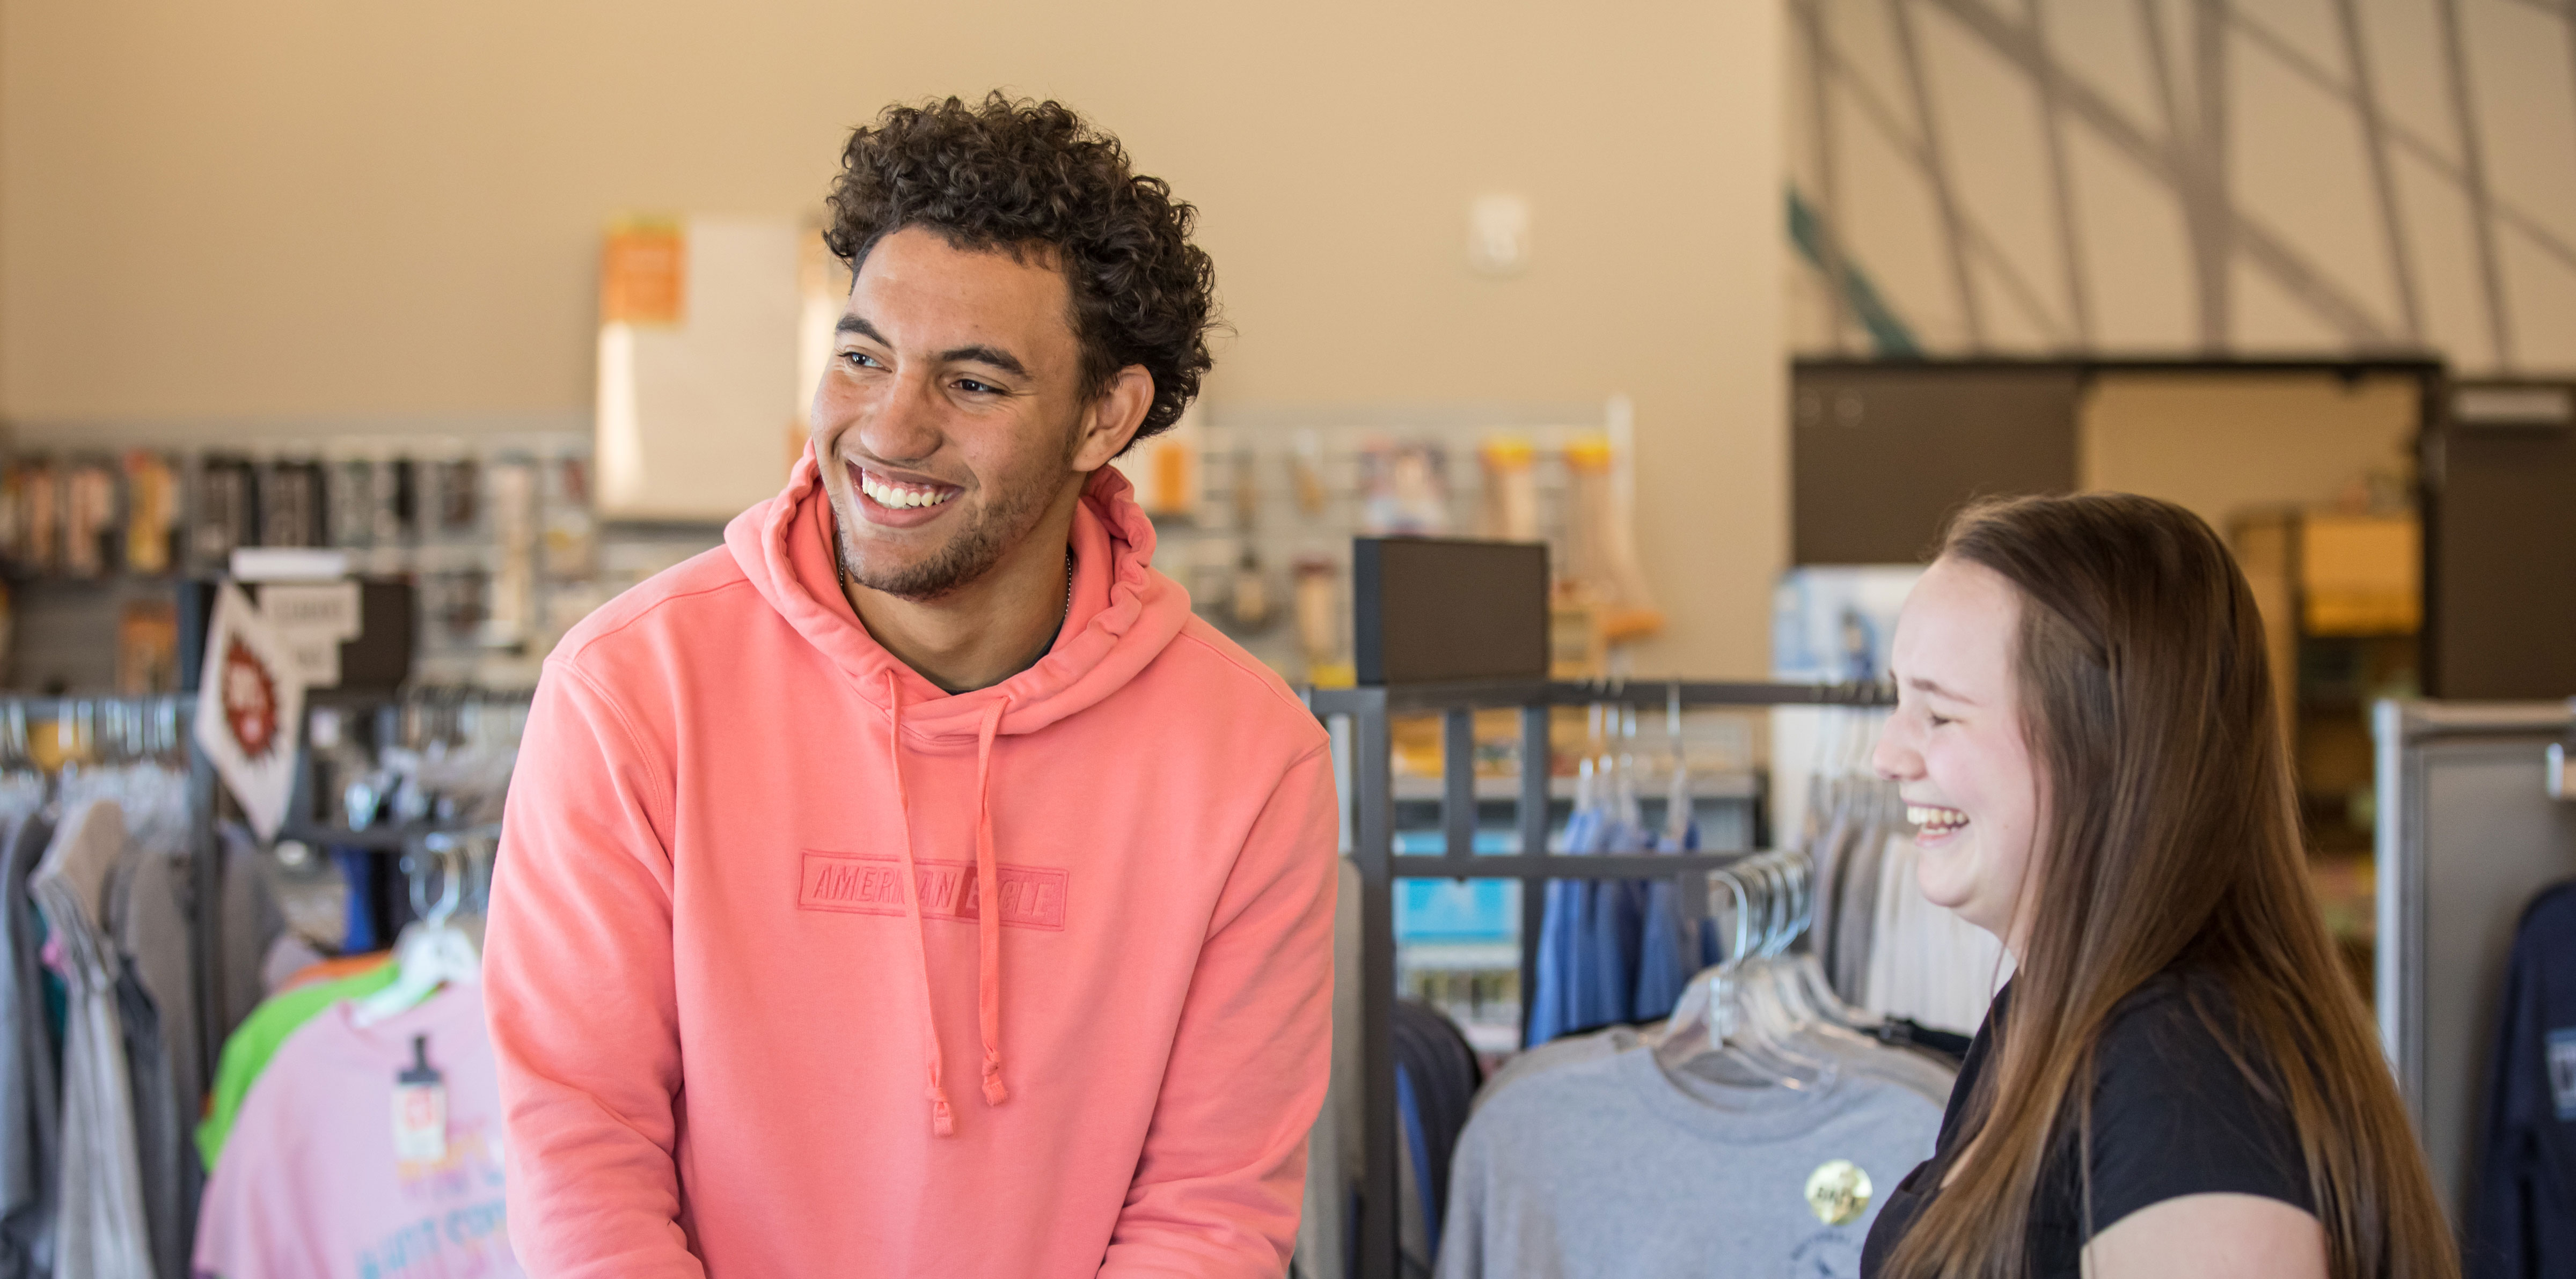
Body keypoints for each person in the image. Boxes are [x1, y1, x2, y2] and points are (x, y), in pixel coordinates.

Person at [484, 94, 1338, 1277]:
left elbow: (1210, 1208)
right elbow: (580, 1146)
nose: (889, 426)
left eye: (974, 384)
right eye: (862, 358)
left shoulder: (1249, 758)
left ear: (1106, 415)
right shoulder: (629, 692)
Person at [1860, 494, 2456, 1279]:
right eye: (1898, 701)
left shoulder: (2184, 1065)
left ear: (2103, 747)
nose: (1888, 755)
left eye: (1938, 715)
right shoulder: (2054, 1023)